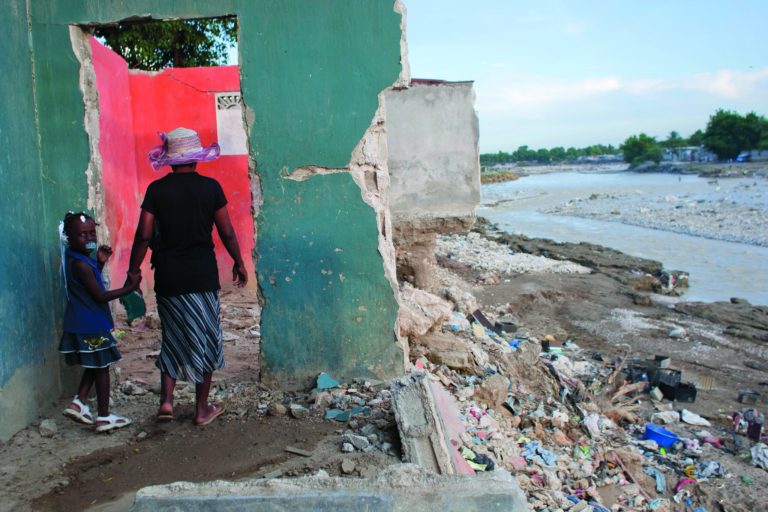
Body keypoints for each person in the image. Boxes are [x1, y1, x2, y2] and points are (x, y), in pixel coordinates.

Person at [128, 127, 248, 426]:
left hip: (168, 276)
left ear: (170, 160)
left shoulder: (156, 191)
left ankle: (167, 402)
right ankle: (202, 408)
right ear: (196, 159)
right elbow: (227, 231)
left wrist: (133, 270)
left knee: (172, 337)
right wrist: (239, 261)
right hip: (201, 275)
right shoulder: (211, 188)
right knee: (206, 338)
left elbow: (143, 235)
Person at [59, 211, 141, 433]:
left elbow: (88, 285)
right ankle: (104, 417)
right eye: (81, 235)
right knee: (102, 367)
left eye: (91, 233)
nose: (88, 239)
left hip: (84, 322)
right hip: (91, 325)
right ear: (68, 237)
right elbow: (99, 296)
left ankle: (80, 401)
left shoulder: (78, 259)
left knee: (96, 364)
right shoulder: (81, 265)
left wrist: (101, 263)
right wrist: (130, 288)